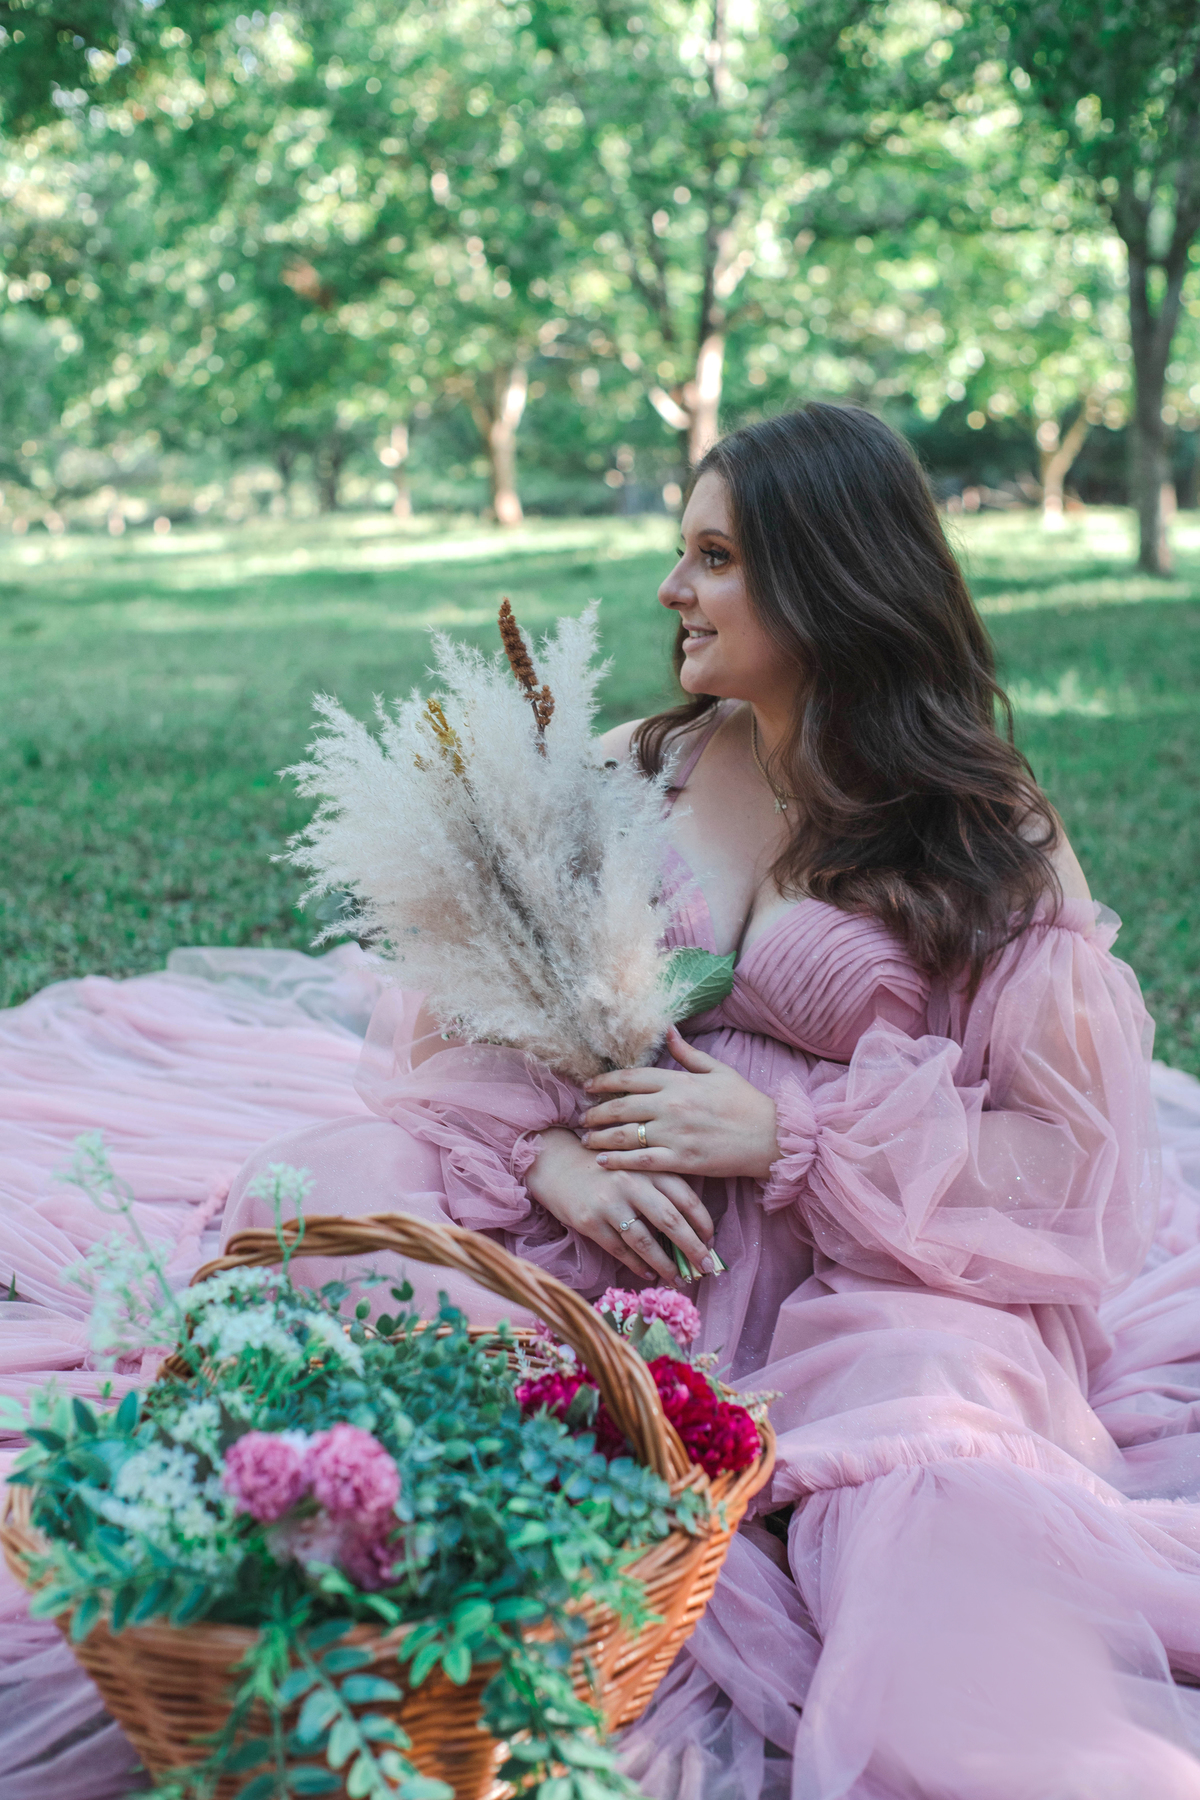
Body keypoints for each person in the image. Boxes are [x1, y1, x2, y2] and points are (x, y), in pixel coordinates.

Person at [5, 403, 1200, 1799]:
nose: (672, 588)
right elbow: (464, 1013)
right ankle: (554, 1459)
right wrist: (552, 1165)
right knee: (331, 1197)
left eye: (715, 557)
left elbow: (1063, 1157)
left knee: (929, 1476)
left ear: (829, 576)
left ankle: (833, 1547)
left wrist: (792, 1141)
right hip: (608, 1235)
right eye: (683, 550)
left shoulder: (986, 836)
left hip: (864, 1277)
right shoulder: (643, 768)